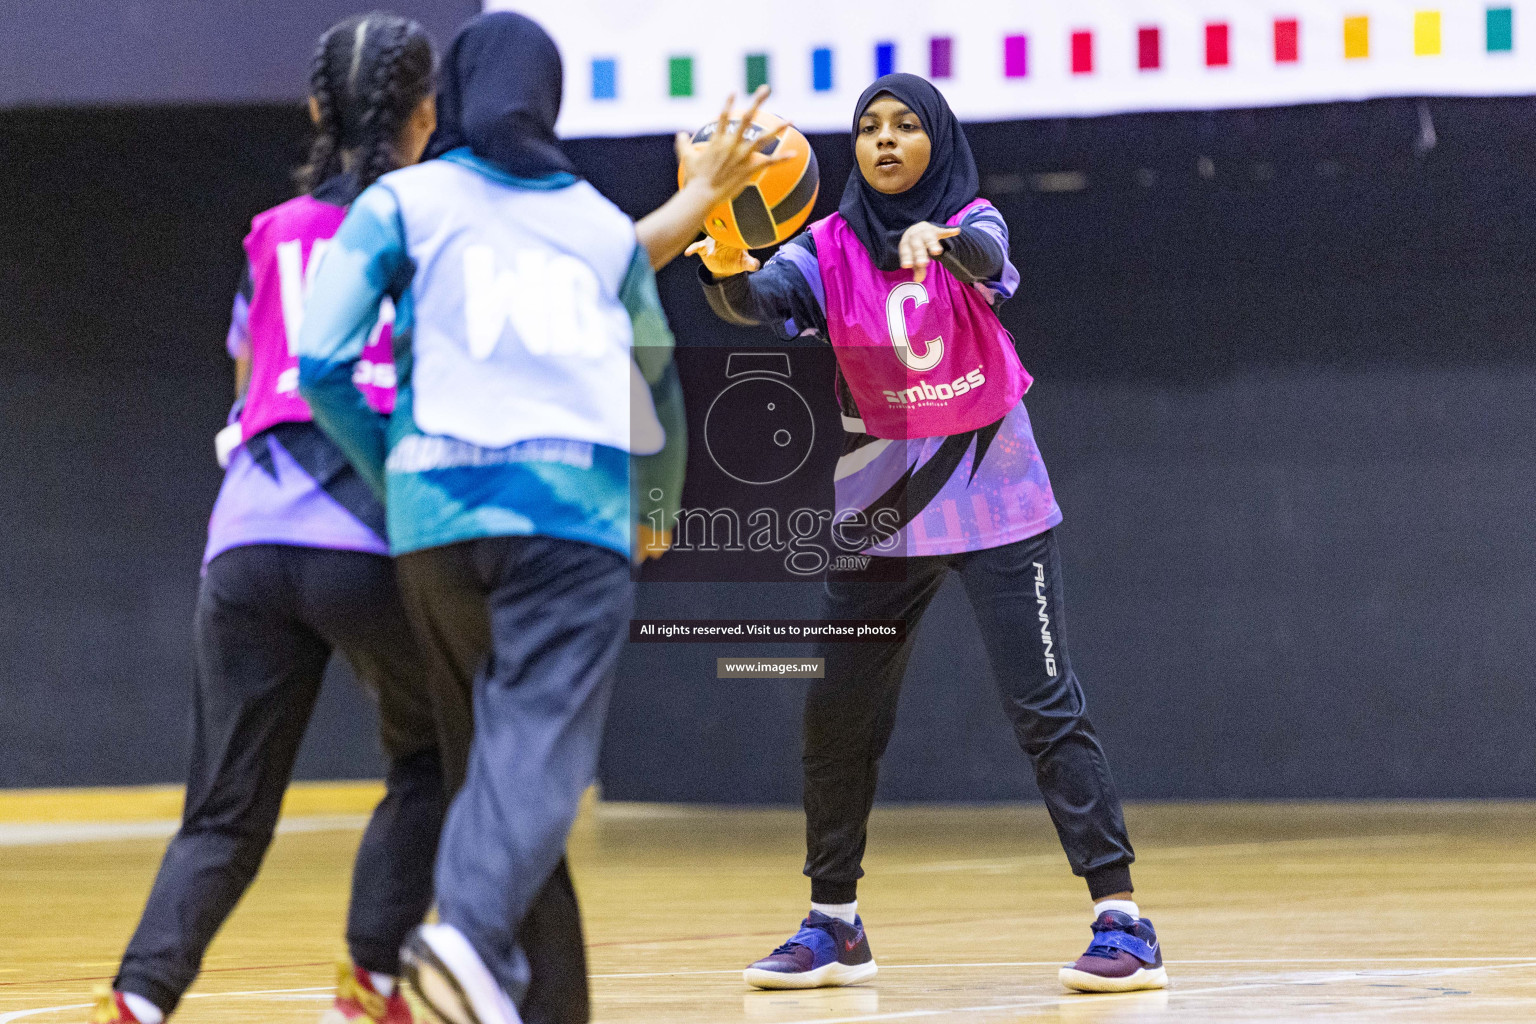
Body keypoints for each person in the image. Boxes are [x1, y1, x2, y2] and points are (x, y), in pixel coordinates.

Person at [296, 12, 787, 1023]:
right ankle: (466, 933)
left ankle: (531, 997)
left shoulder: (405, 201)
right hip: (570, 523)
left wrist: (397, 469)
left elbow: (320, 361)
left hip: (437, 522)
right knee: (536, 769)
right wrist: (656, 497)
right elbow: (653, 371)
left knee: (496, 770)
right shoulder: (596, 223)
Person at [690, 72, 1168, 995]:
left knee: (1044, 707)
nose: (885, 139)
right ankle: (835, 925)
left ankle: (1124, 920)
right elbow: (756, 299)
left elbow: (987, 258)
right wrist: (717, 241)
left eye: (906, 125)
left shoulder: (973, 219)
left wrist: (943, 245)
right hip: (881, 507)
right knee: (838, 714)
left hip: (994, 500)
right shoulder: (826, 247)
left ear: (936, 142)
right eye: (869, 126)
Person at [93, 14, 444, 1024]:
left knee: (222, 814)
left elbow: (249, 384)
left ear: (313, 109)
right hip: (374, 535)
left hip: (245, 542)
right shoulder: (428, 225)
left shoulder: (274, 231)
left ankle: (138, 997)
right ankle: (370, 985)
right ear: (426, 114)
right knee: (435, 753)